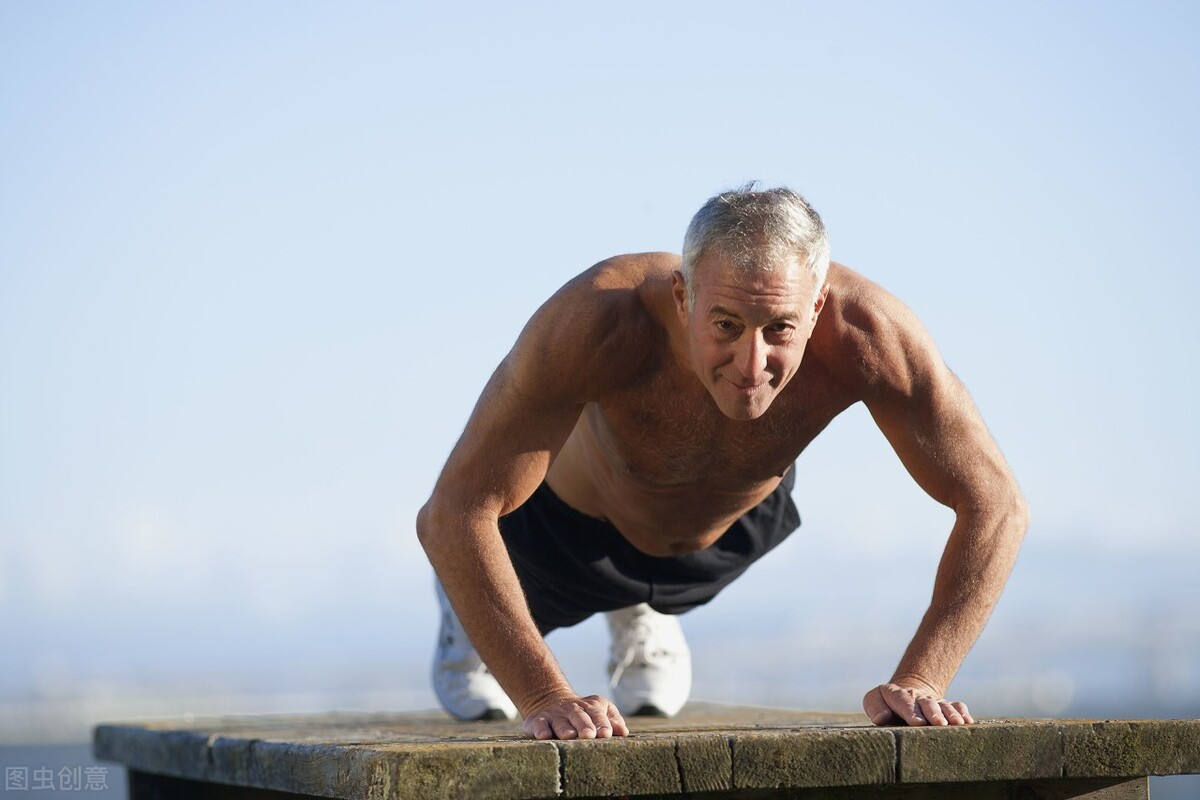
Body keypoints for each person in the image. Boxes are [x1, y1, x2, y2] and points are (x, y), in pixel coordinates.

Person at [416, 185, 1028, 741]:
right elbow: (453, 511)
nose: (750, 362)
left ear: (816, 309)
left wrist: (923, 678)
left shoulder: (869, 335)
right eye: (727, 324)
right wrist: (543, 696)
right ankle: (468, 627)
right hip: (557, 540)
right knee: (482, 594)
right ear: (684, 296)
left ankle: (646, 610)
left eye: (780, 328)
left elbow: (997, 503)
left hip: (725, 537)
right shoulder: (602, 318)